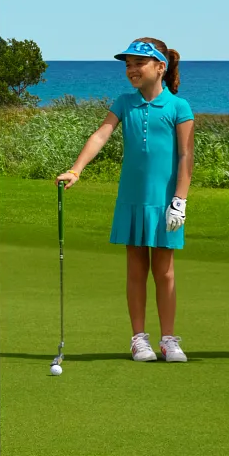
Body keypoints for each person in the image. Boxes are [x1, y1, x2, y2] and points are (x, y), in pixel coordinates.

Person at [56, 39, 195, 362]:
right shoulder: (124, 102)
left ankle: (169, 340)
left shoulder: (179, 106)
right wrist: (77, 169)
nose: (131, 70)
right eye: (128, 65)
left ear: (160, 67)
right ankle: (139, 339)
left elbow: (187, 154)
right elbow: (101, 134)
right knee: (136, 270)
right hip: (132, 200)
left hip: (165, 202)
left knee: (165, 272)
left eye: (139, 63)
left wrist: (180, 200)